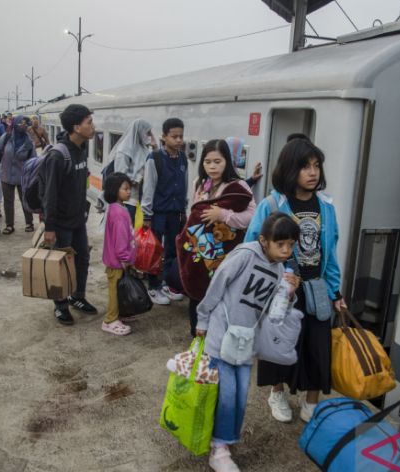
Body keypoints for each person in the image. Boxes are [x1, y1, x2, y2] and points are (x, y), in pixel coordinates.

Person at [244, 138, 345, 423]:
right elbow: (253, 245)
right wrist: (272, 279)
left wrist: (336, 291)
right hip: (282, 290)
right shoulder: (273, 204)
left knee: (317, 346)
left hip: (317, 288)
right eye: (304, 167)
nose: (313, 172)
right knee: (279, 343)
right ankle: (277, 393)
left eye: (316, 166)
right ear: (290, 169)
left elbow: (331, 251)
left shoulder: (326, 206)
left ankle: (312, 400)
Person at [196, 212, 301, 472]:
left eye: (291, 245)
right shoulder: (244, 255)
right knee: (227, 392)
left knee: (240, 394)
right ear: (264, 240)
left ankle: (224, 442)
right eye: (281, 244)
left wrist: (289, 295)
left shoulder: (280, 271)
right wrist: (203, 318)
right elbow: (217, 286)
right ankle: (219, 449)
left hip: (245, 341)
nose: (286, 251)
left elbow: (273, 315)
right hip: (221, 335)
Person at [185, 139, 256, 336]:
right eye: (207, 162)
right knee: (198, 294)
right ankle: (197, 337)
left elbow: (252, 217)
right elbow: (193, 213)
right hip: (201, 253)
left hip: (227, 256)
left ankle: (218, 341)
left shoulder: (238, 186)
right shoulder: (199, 184)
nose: (212, 166)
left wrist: (223, 215)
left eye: (218, 161)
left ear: (227, 162)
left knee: (222, 296)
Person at [41, 104, 98, 325]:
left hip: (77, 220)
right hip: (61, 223)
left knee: (82, 258)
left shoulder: (82, 149)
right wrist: (50, 227)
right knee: (60, 264)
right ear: (76, 127)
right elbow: (50, 195)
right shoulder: (58, 156)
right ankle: (60, 305)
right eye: (89, 122)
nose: (93, 126)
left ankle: (78, 297)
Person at [141, 117, 187, 305]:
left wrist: (184, 208)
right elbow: (149, 187)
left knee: (172, 250)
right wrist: (146, 215)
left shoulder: (183, 157)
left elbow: (184, 184)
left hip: (175, 212)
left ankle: (167, 283)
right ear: (164, 137)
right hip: (158, 213)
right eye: (174, 136)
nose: (178, 140)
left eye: (181, 136)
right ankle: (153, 286)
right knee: (155, 250)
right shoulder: (155, 158)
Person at [0, 115, 35, 233]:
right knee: (8, 201)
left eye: (25, 124)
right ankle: (9, 225)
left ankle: (29, 223)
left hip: (23, 176)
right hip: (6, 174)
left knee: (25, 200)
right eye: (20, 124)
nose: (23, 126)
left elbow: (33, 160)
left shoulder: (29, 142)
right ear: (15, 124)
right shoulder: (7, 137)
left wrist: (34, 174)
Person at [101, 172, 136, 336]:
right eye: (125, 188)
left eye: (129, 188)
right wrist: (126, 258)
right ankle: (110, 320)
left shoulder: (116, 208)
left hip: (117, 261)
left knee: (119, 289)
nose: (129, 192)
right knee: (115, 292)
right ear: (115, 190)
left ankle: (119, 315)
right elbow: (120, 240)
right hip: (117, 262)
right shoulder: (119, 213)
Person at [110, 118, 156, 221]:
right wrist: (139, 177)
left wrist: (155, 147)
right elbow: (120, 177)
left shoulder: (144, 148)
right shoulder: (123, 151)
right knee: (127, 230)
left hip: (141, 200)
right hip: (128, 200)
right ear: (139, 131)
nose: (150, 135)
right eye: (147, 132)